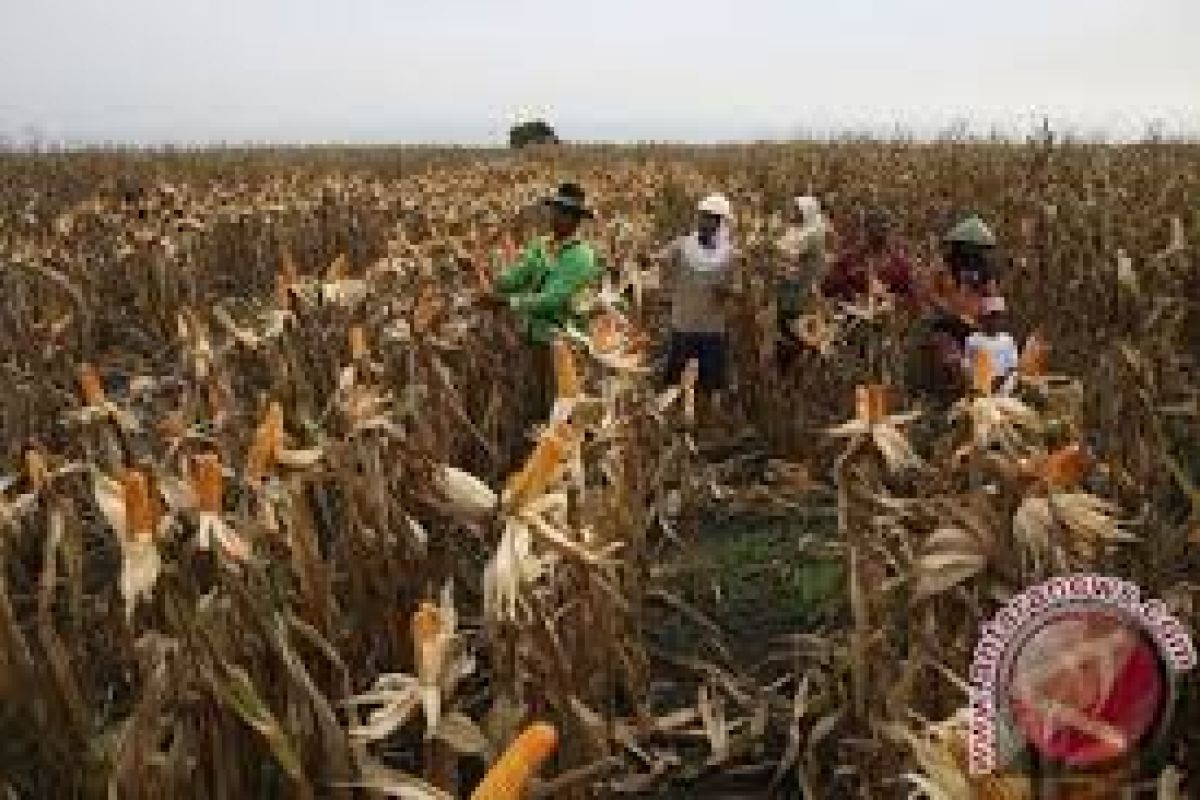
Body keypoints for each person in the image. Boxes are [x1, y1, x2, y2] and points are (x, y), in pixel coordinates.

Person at [494, 182, 601, 420]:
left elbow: (552, 299)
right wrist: (488, 277)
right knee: (535, 402)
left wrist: (507, 302)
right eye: (555, 211)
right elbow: (518, 276)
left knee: (560, 407)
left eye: (564, 214)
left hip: (563, 343)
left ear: (576, 220)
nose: (556, 217)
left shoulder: (581, 257)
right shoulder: (542, 245)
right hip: (533, 336)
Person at [661, 194, 736, 401]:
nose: (706, 222)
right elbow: (659, 260)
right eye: (703, 216)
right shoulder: (681, 246)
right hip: (683, 323)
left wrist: (727, 292)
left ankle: (706, 424)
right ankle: (676, 424)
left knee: (709, 385)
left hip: (712, 327)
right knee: (676, 384)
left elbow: (736, 289)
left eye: (713, 218)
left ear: (722, 223)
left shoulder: (730, 255)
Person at [775, 196, 829, 368]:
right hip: (790, 291)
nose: (793, 213)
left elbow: (787, 252)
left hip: (803, 294)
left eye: (797, 210)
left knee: (800, 333)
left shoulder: (813, 233)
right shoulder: (800, 230)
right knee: (787, 330)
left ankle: (798, 370)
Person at [820, 208, 914, 304]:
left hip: (888, 315)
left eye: (881, 231)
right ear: (865, 232)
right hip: (849, 315)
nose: (876, 235)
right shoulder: (849, 260)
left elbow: (908, 298)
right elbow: (827, 291)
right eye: (872, 231)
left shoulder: (898, 265)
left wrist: (887, 297)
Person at [963, 296, 1019, 395]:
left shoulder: (1008, 340)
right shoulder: (973, 340)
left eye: (998, 316)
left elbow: (1013, 367)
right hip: (981, 393)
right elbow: (968, 367)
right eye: (991, 316)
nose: (995, 320)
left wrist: (1000, 382)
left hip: (1005, 393)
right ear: (984, 318)